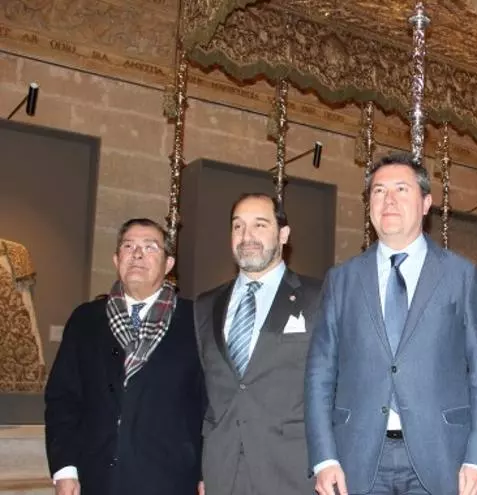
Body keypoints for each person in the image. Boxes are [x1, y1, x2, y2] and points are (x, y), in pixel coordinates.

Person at [306, 152, 477, 495]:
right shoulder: (342, 280)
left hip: (444, 457)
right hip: (357, 459)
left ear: (426, 203)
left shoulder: (461, 276)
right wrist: (324, 459)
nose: (389, 200)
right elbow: (319, 373)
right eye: (379, 191)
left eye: (401, 189)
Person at [45, 218, 205, 495]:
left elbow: (209, 405)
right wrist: (65, 469)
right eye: (128, 246)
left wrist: (206, 472)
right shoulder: (85, 320)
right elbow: (63, 399)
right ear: (116, 259)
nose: (137, 254)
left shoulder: (196, 321)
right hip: (96, 478)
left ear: (168, 264)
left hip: (170, 480)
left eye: (150, 247)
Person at [195, 193, 322, 495]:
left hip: (293, 472)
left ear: (284, 234)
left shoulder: (318, 297)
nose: (246, 236)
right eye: (238, 226)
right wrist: (202, 470)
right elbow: (204, 391)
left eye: (259, 225)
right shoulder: (205, 305)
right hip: (222, 471)